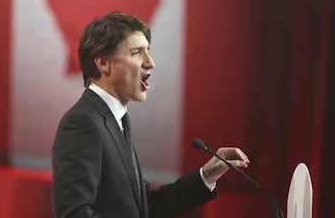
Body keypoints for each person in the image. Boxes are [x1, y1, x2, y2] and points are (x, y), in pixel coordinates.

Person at [52, 12, 250, 218]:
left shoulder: (117, 121)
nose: (150, 62)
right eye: (137, 53)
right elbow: (73, 214)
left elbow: (144, 207)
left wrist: (206, 176)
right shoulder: (82, 123)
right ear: (103, 62)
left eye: (148, 51)